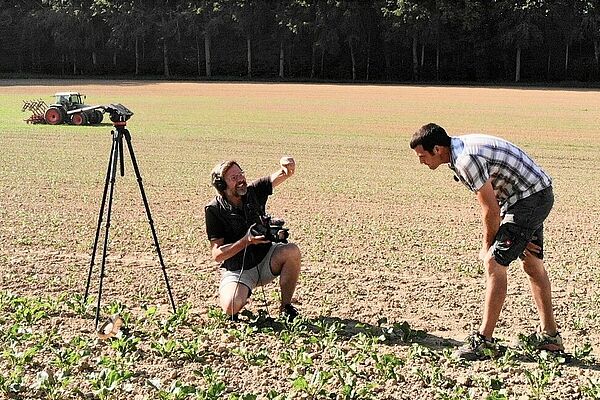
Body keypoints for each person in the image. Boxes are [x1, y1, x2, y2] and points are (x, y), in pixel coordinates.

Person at [410, 123, 563, 360]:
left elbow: (490, 210)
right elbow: (496, 195)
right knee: (532, 263)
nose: (420, 162)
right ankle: (550, 338)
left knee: (493, 262)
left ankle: (484, 341)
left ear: (438, 149)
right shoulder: (458, 150)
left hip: (529, 199)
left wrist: (487, 246)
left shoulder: (465, 160)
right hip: (532, 195)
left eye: (422, 156)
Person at [205, 157, 301, 321]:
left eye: (241, 174)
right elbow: (217, 254)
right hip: (238, 270)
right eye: (234, 178)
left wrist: (287, 167)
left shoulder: (254, 191)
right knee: (231, 307)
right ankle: (240, 292)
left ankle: (286, 307)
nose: (241, 180)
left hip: (266, 260)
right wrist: (245, 241)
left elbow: (281, 175)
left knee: (291, 251)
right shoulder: (214, 209)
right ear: (222, 185)